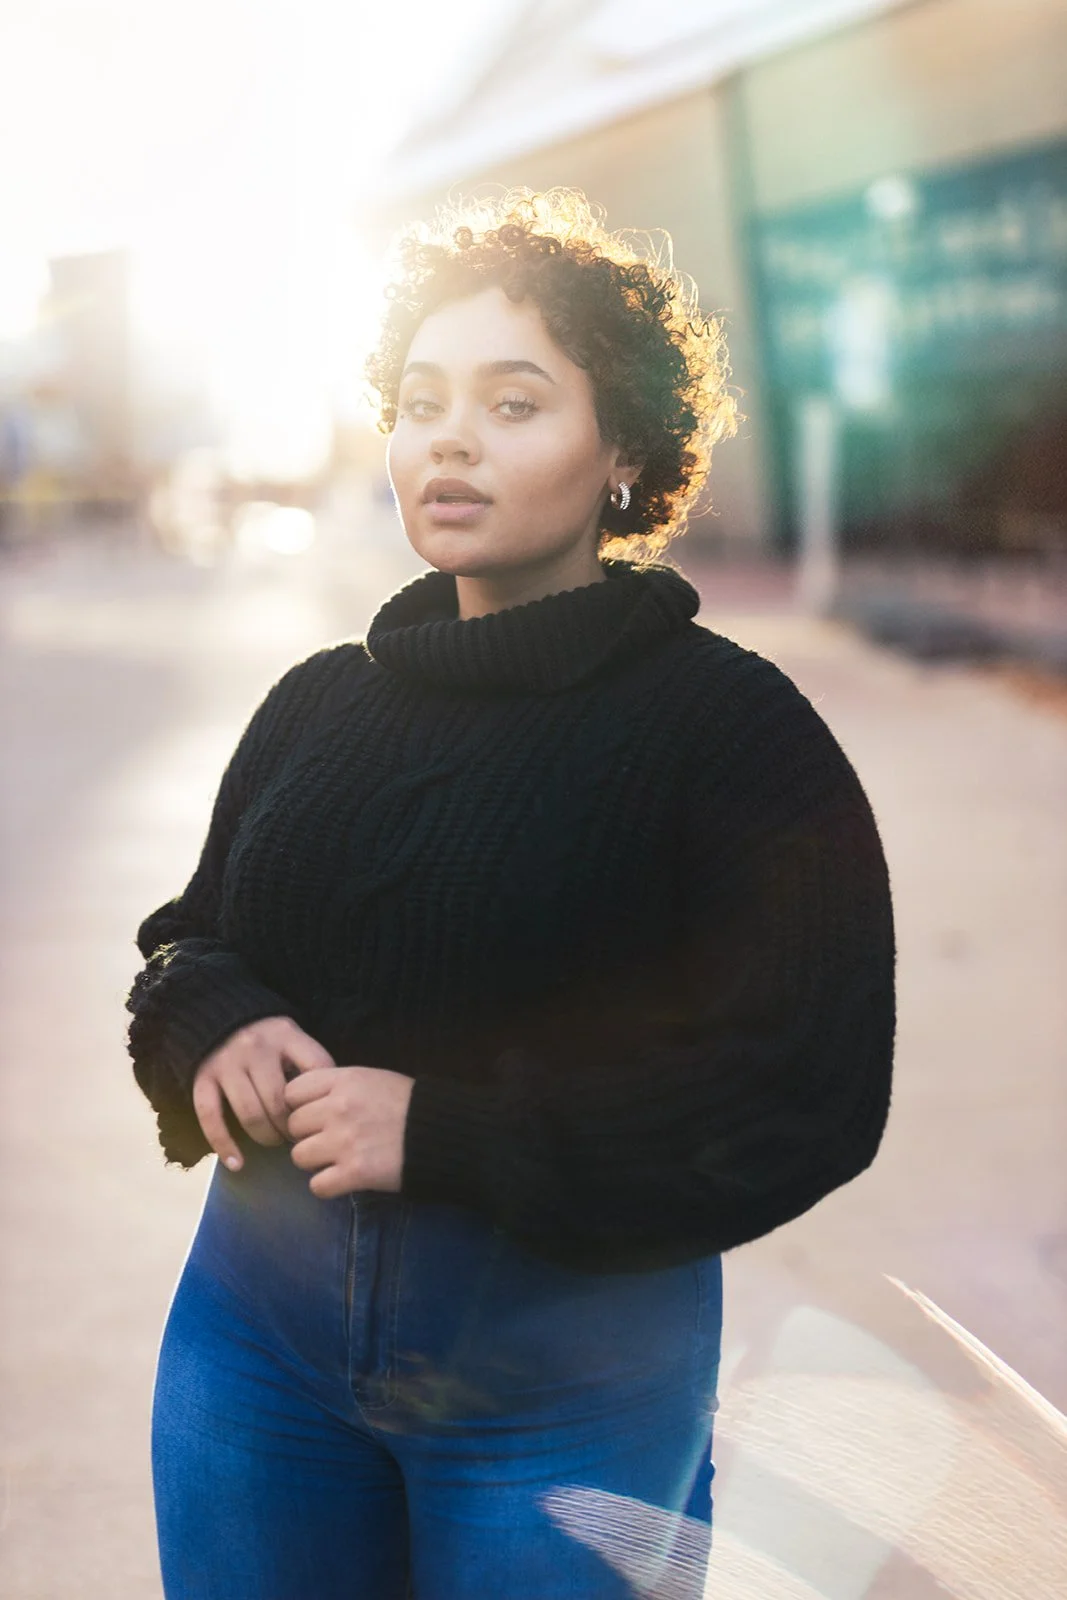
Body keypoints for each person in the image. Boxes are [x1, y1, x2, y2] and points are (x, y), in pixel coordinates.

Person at [125, 188, 896, 1599]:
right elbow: (188, 939)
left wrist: (462, 1133)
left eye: (514, 402)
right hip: (252, 1351)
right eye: (420, 401)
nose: (450, 439)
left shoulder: (729, 732)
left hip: (567, 1381)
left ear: (622, 454)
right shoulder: (319, 703)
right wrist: (212, 1020)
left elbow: (807, 1085)